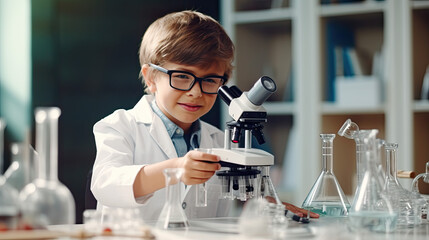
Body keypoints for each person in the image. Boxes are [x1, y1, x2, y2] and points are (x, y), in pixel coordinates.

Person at [91, 10, 318, 222]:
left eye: (209, 80)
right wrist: (177, 169)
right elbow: (106, 184)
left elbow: (230, 210)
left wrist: (265, 206)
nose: (195, 92)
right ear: (151, 77)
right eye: (181, 76)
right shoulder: (119, 127)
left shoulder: (220, 141)